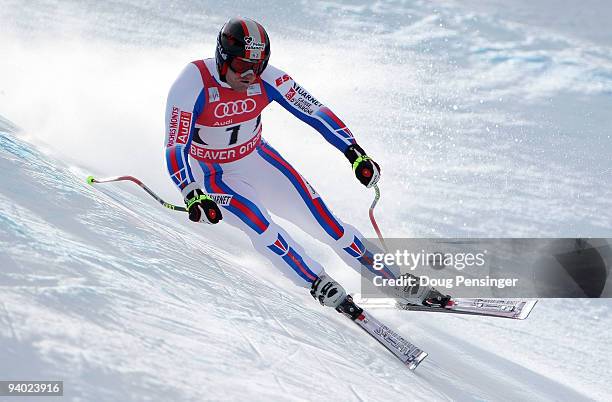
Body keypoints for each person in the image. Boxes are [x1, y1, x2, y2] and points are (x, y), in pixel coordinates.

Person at [164, 17, 446, 309]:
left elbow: (315, 111)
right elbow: (175, 145)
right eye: (240, 66)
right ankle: (316, 282)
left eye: (256, 66)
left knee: (329, 226)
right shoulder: (193, 81)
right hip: (212, 175)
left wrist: (353, 151)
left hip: (256, 158)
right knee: (260, 225)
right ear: (222, 58)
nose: (249, 75)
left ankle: (395, 280)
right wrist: (190, 190)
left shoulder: (267, 78)